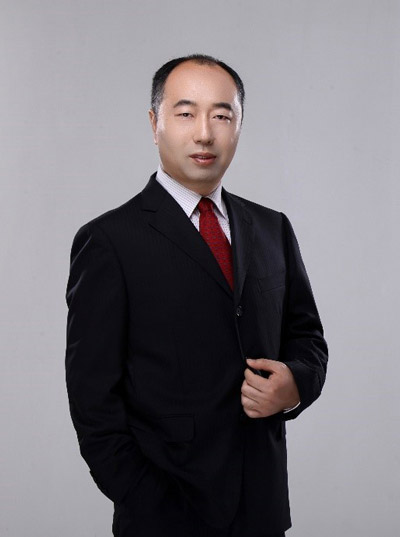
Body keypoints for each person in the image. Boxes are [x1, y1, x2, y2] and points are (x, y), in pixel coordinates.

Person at [65, 54, 328, 537]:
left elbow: (307, 337)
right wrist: (145, 500)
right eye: (185, 113)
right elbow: (92, 400)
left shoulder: (272, 227)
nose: (204, 133)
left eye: (222, 115)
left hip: (262, 507)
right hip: (164, 514)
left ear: (239, 126)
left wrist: (296, 384)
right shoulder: (109, 241)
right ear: (155, 123)